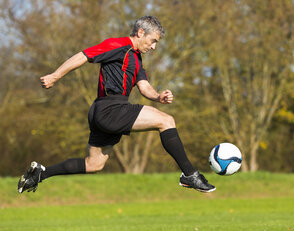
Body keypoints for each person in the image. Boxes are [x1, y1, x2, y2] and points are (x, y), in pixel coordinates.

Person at [17, 16, 215, 194]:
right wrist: (55, 75)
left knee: (94, 164)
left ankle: (41, 173)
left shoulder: (136, 59)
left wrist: (158, 97)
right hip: (110, 109)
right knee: (166, 120)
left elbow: (144, 87)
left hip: (103, 112)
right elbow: (83, 56)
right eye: (153, 41)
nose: (154, 46)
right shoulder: (117, 45)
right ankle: (189, 174)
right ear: (140, 32)